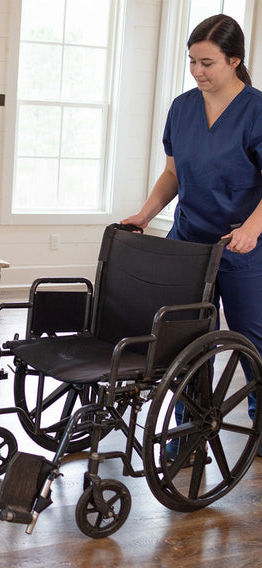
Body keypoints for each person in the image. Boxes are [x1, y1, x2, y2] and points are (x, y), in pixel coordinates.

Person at [123, 14, 262, 447]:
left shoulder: (257, 111)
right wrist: (144, 214)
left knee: (251, 341)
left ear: (235, 60)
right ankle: (189, 429)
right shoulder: (182, 107)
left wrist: (253, 230)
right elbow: (173, 173)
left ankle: (260, 429)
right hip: (187, 242)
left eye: (208, 63)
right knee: (184, 341)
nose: (198, 71)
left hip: (241, 244)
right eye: (192, 61)